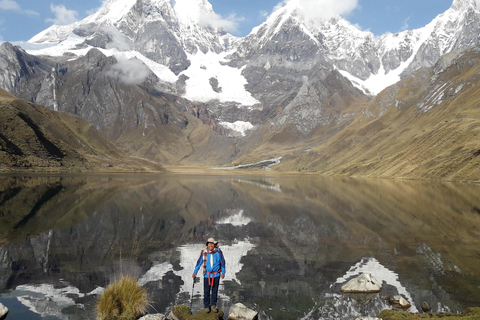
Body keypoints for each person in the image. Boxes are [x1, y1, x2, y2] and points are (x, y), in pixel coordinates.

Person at [192, 238, 226, 313]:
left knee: (215, 291)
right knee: (206, 291)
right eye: (209, 243)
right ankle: (207, 306)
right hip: (207, 275)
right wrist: (195, 272)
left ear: (214, 245)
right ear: (207, 244)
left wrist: (223, 272)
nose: (211, 245)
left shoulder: (218, 252)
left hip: (216, 275)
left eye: (212, 243)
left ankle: (213, 306)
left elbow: (222, 262)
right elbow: (199, 262)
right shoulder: (204, 252)